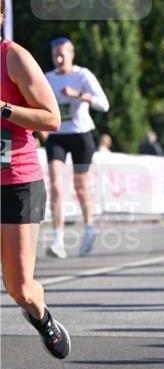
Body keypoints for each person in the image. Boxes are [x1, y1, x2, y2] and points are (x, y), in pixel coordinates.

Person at [1, 5, 71, 358]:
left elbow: (52, 118)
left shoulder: (13, 57)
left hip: (17, 180)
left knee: (21, 288)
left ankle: (42, 318)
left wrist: (3, 109)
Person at [44, 37, 109, 258]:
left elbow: (104, 104)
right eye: (55, 55)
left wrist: (78, 95)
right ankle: (57, 240)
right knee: (55, 186)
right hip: (57, 136)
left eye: (63, 54)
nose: (59, 59)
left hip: (81, 135)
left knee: (80, 186)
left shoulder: (82, 75)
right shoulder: (48, 78)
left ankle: (89, 227)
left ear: (72, 55)